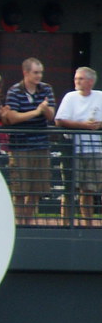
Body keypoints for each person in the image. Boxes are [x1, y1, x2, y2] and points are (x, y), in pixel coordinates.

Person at [2, 57, 56, 225]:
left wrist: (45, 110)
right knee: (19, 190)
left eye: (40, 72)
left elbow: (51, 116)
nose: (39, 76)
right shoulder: (14, 91)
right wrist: (36, 111)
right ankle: (18, 224)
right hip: (20, 147)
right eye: (35, 72)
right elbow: (13, 118)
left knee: (36, 189)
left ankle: (27, 221)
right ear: (25, 72)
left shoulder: (46, 89)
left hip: (41, 145)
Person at [55, 67, 102, 225]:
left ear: (90, 81)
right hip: (72, 149)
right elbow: (60, 120)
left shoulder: (100, 96)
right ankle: (65, 224)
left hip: (94, 149)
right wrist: (84, 126)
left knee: (88, 189)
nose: (77, 81)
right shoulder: (70, 97)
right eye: (76, 78)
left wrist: (98, 125)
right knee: (69, 189)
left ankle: (87, 224)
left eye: (80, 79)